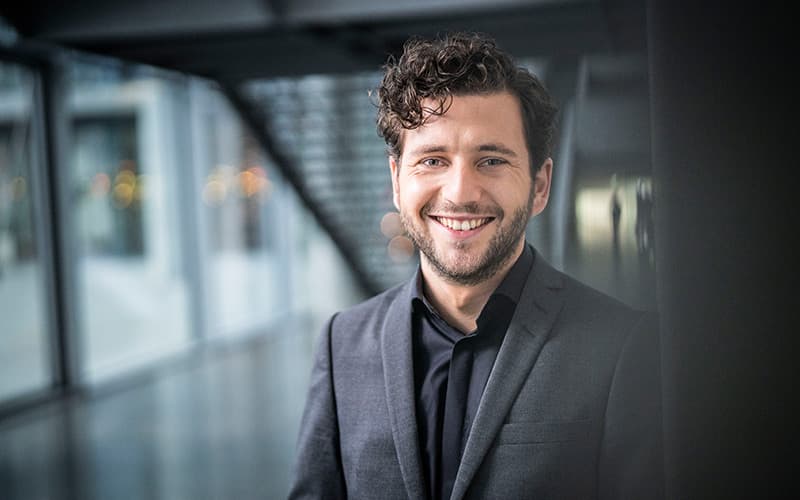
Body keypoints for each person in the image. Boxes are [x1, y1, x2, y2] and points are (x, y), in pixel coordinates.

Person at [288, 32, 662, 500]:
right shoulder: (341, 343)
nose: (461, 192)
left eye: (490, 159)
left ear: (540, 185)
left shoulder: (622, 346)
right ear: (396, 180)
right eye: (432, 160)